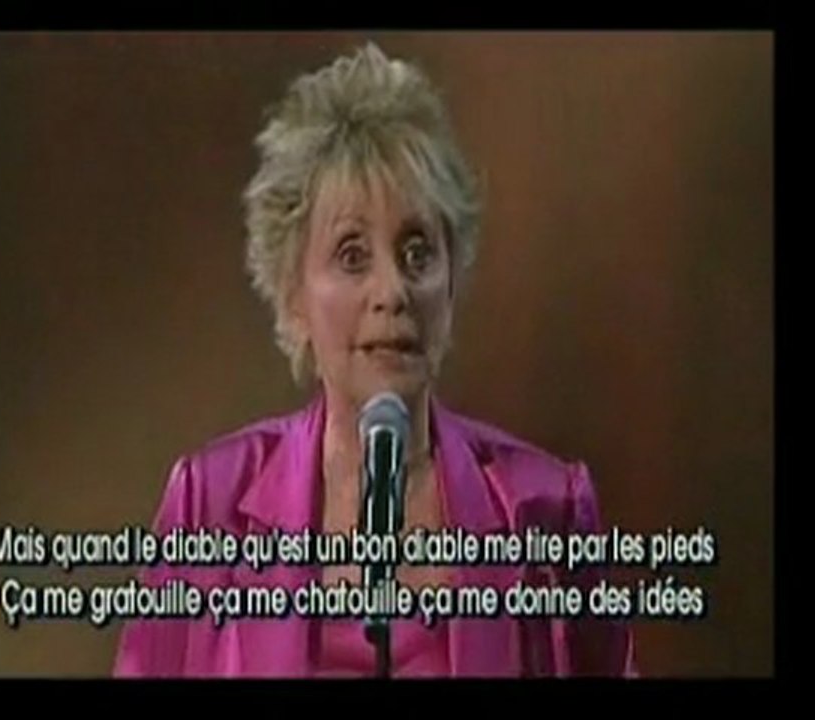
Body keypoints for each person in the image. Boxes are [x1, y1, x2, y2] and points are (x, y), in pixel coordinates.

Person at [113, 43, 637, 677]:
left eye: (417, 253)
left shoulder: (545, 506)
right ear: (293, 293)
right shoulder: (209, 503)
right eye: (352, 255)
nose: (392, 292)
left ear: (451, 281)